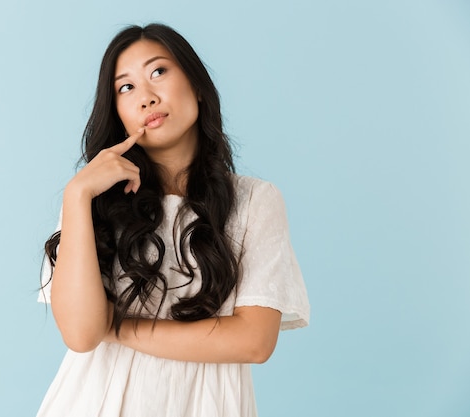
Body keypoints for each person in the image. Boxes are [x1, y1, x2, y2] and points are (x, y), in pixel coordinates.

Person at [37, 23, 309, 417]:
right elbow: (81, 335)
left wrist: (118, 328)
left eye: (158, 72)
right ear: (116, 111)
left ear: (197, 86)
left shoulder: (254, 201)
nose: (145, 97)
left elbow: (254, 341)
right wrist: (76, 195)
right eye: (125, 87)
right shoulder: (91, 202)